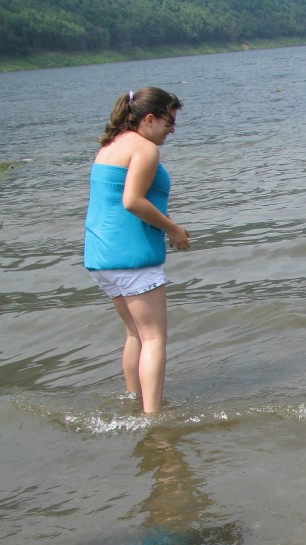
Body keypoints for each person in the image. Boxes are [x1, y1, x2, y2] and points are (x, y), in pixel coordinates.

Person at [83, 87, 190, 415]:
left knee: (135, 334)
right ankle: (152, 418)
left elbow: (117, 199)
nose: (172, 129)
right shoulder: (144, 148)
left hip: (102, 256)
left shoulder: (110, 146)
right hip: (131, 256)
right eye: (169, 122)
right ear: (149, 119)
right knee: (154, 338)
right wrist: (173, 230)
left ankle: (133, 402)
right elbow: (132, 201)